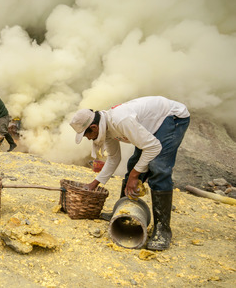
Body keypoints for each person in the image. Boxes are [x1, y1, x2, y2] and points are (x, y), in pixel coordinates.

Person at [70, 96, 190, 251]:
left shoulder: (120, 121)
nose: (87, 138)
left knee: (158, 166)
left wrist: (134, 176)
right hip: (152, 127)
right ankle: (123, 213)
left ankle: (163, 230)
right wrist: (94, 184)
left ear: (93, 128)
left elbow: (153, 147)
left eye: (86, 135)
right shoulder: (105, 128)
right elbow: (114, 158)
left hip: (172, 118)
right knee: (134, 164)